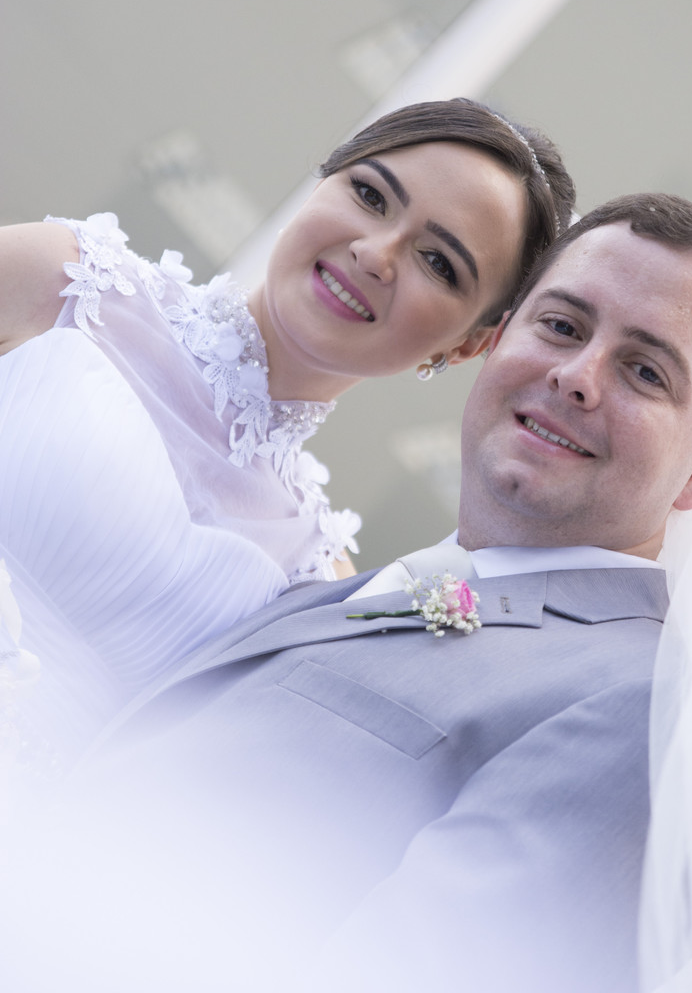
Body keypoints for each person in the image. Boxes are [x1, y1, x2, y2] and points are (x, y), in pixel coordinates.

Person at [3, 192, 692, 993]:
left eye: (646, 371)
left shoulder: (650, 717)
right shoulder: (350, 587)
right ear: (499, 340)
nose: (577, 376)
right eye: (561, 325)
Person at [0, 98, 575, 771]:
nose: (376, 252)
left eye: (439, 263)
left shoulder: (314, 586)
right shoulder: (68, 283)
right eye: (369, 195)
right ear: (323, 179)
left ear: (470, 343)